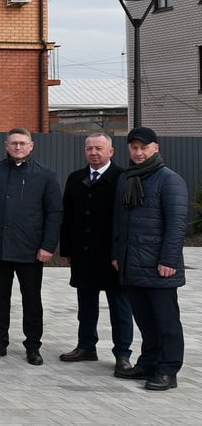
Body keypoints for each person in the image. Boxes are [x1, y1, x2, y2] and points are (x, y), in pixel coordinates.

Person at [0, 128, 62, 365]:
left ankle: (33, 345)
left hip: (31, 250)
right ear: (6, 145)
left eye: (23, 143)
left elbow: (54, 213)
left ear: (31, 146)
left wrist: (48, 246)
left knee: (31, 299)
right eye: (14, 143)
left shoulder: (45, 175)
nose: (18, 147)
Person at [112, 127, 188, 391]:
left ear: (156, 148)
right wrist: (116, 254)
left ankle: (168, 370)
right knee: (144, 319)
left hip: (159, 266)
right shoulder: (126, 179)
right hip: (132, 263)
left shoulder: (169, 180)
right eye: (134, 147)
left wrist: (168, 260)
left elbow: (177, 225)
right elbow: (119, 221)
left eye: (144, 147)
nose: (138, 152)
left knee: (166, 321)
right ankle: (148, 362)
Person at [59, 133, 132, 372]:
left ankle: (122, 353)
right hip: (83, 253)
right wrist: (67, 248)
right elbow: (67, 216)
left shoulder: (123, 178)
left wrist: (121, 253)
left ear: (111, 151)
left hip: (112, 256)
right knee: (86, 304)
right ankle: (86, 346)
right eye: (89, 148)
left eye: (99, 148)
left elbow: (127, 220)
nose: (94, 152)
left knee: (120, 308)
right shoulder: (75, 178)